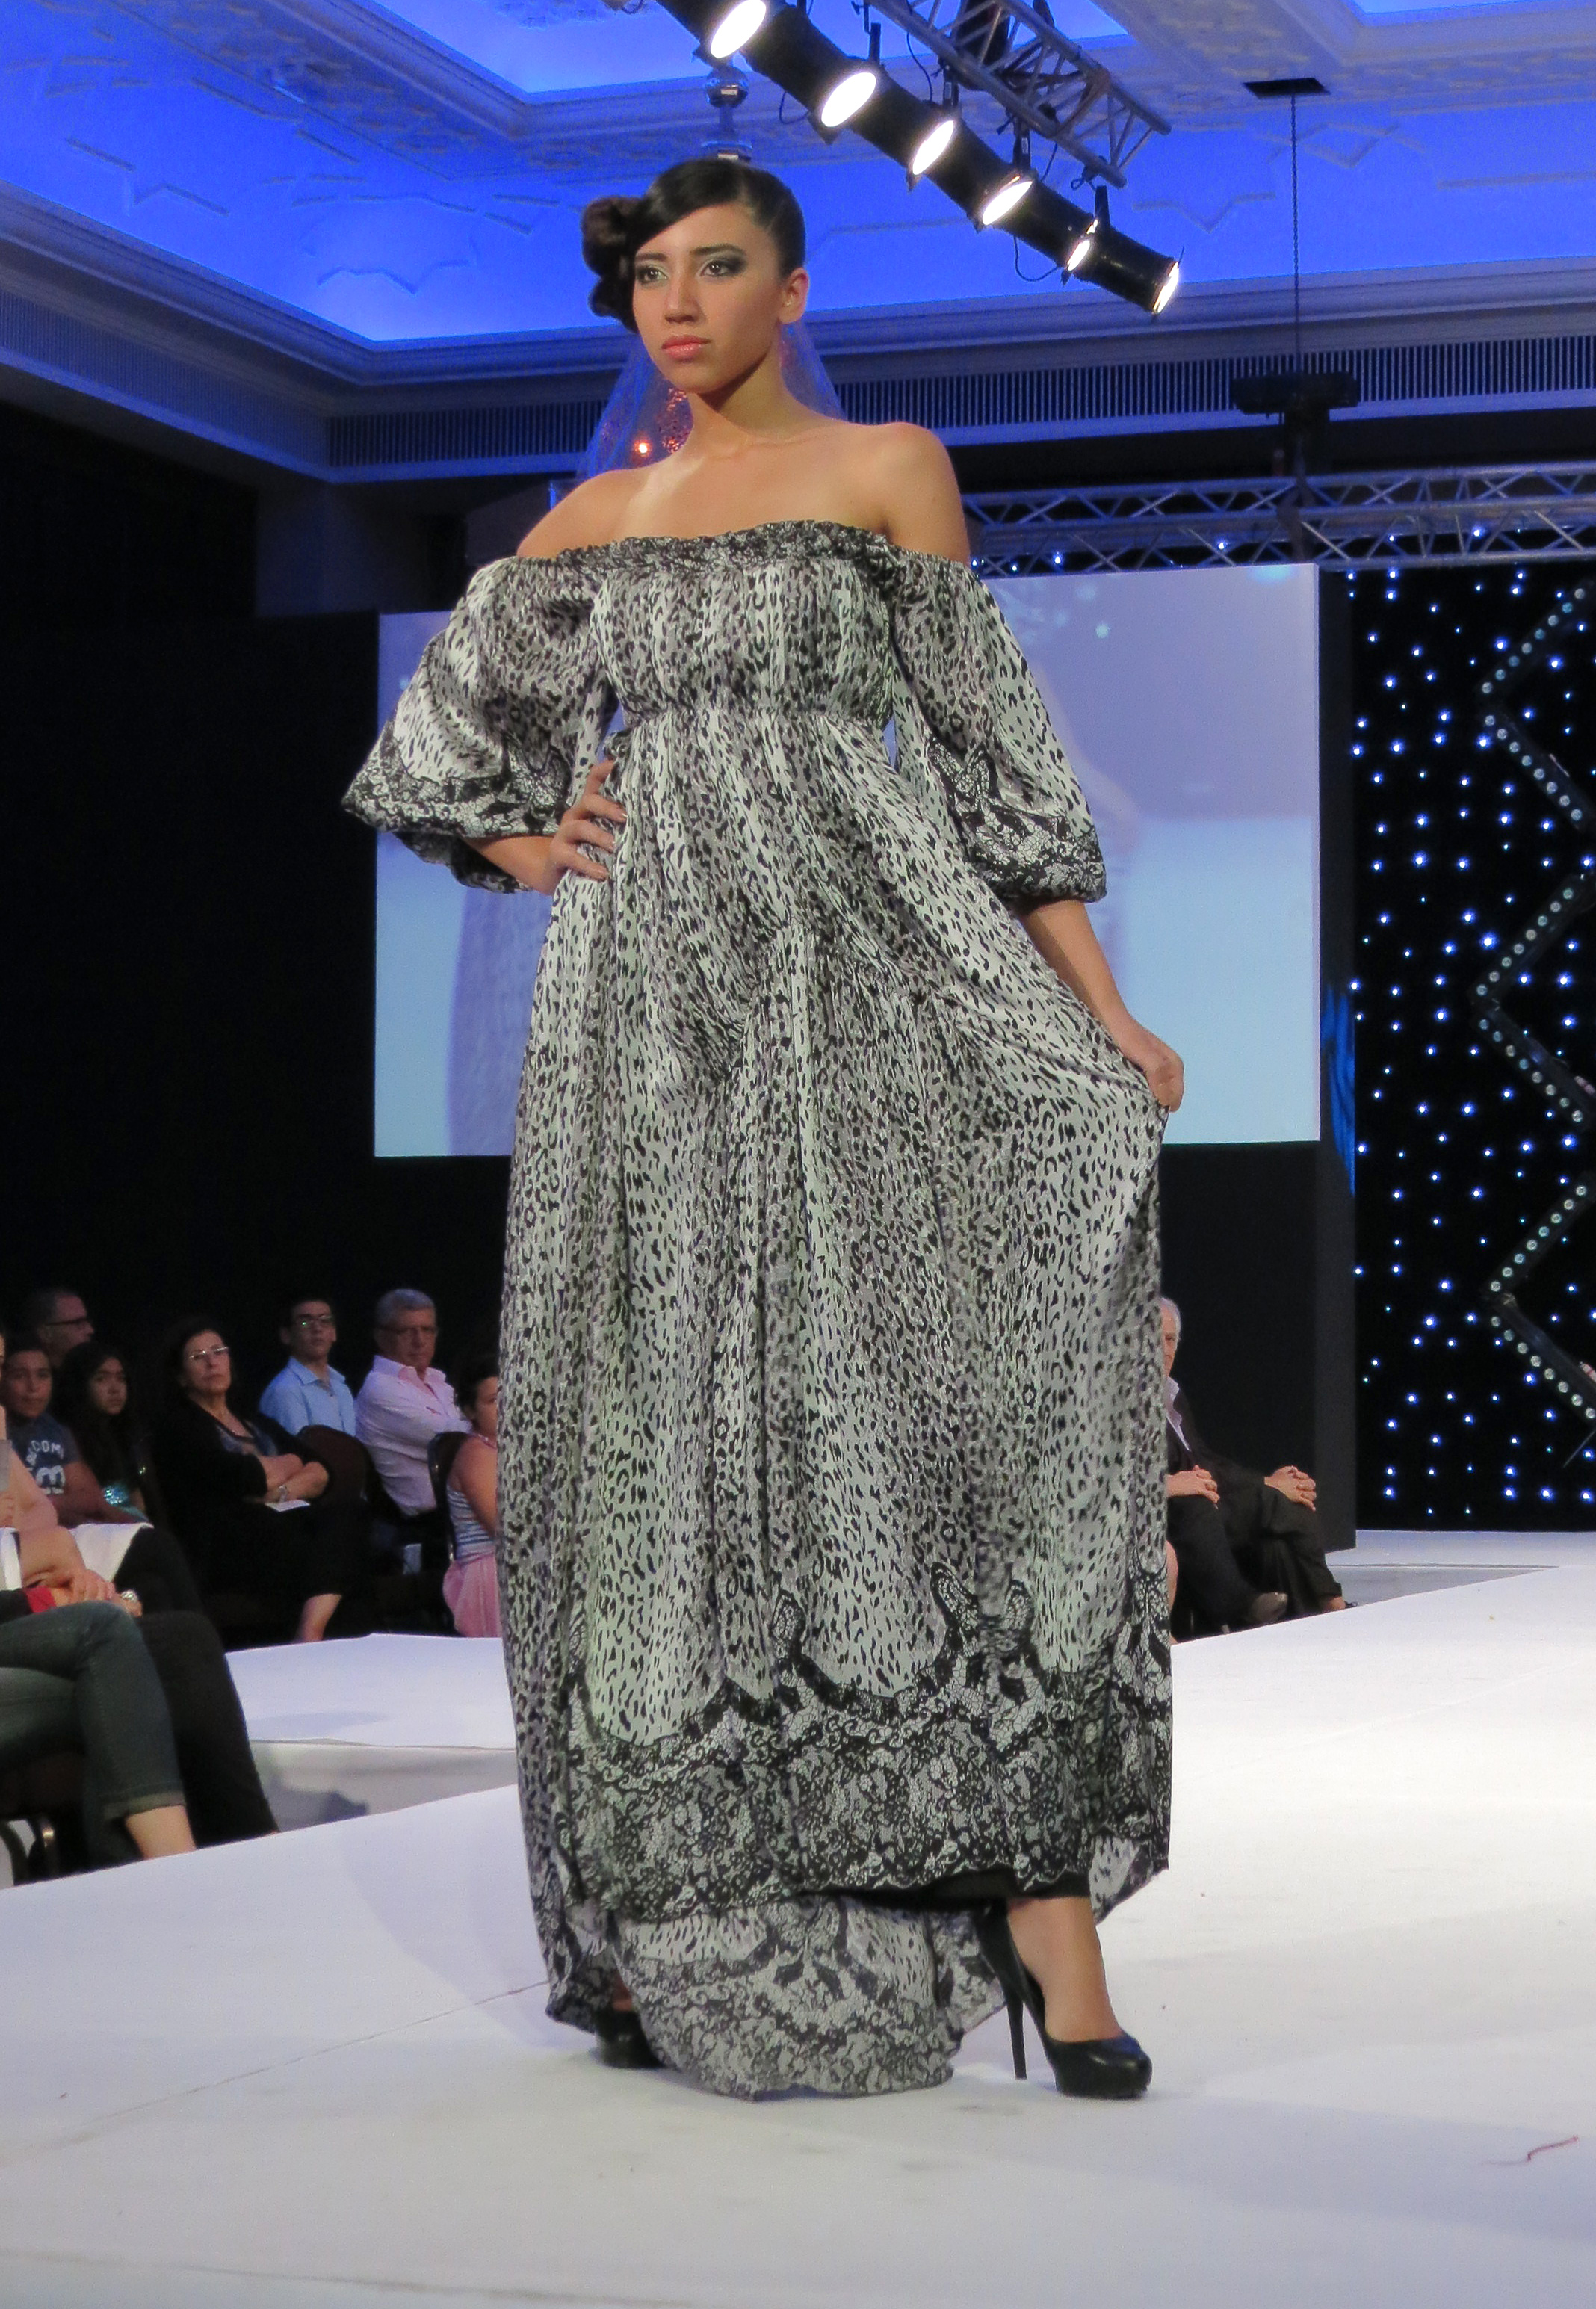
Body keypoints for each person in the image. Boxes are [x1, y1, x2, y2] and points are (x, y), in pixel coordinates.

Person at [346, 158, 1179, 2103]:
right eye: (652, 273)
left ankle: (1042, 1907)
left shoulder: (887, 469)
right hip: (652, 1016)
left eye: (718, 267)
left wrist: (1099, 1003)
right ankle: (687, 1903)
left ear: (791, 290)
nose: (679, 302)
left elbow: (993, 754)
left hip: (867, 962)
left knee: (936, 1406)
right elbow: (435, 754)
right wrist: (526, 844)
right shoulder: (592, 521)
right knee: (673, 1437)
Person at [1, 1333, 275, 1855]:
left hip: (37, 1567)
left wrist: (68, 1545)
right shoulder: (64, 1428)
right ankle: (189, 1859)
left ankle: (243, 1843)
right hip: (31, 1580)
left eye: (121, 1378)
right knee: (124, 1639)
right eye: (101, 1379)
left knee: (168, 1595)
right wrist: (55, 1584)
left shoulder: (69, 1433)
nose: (114, 1389)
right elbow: (48, 1518)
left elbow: (48, 1506)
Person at [153, 1320, 369, 1643]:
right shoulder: (179, 1428)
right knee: (341, 1555)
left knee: (352, 1514)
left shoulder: (253, 1421)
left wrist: (279, 1490)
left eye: (218, 1351)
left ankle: (312, 1632)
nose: (212, 1362)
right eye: (198, 1357)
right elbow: (244, 1477)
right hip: (231, 1542)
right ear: (181, 1376)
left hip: (282, 1522)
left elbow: (322, 1470)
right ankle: (316, 1636)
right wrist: (289, 1464)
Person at [1161, 1299, 1343, 1621]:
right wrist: (1172, 1484)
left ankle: (1325, 1605)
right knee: (1201, 1505)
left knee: (1288, 1507)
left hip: (1207, 1500)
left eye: (1170, 1339)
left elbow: (1205, 1460)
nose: (1164, 1350)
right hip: (1171, 1512)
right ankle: (1245, 1606)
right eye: (1153, 1339)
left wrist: (1268, 1483)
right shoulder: (1117, 1402)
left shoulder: (1172, 1395)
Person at [5, 1332, 202, 1613]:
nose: (33, 1387)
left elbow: (85, 1499)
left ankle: (196, 1637)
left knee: (153, 1582)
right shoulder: (5, 1428)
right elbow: (9, 1511)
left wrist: (49, 1506)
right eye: (18, 1376)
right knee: (155, 1550)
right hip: (37, 1544)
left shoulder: (55, 1430)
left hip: (54, 1535)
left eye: (42, 1375)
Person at [353, 1290, 467, 1518]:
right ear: (381, 1337)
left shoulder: (441, 1385)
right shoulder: (380, 1389)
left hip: (465, 1509)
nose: (420, 1341)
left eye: (427, 1330)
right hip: (431, 1523)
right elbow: (453, 1439)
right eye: (407, 1331)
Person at [442, 1356, 501, 1639]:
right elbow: (504, 1529)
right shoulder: (477, 1454)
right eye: (494, 1401)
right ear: (470, 1410)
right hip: (490, 1571)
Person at [259, 1296, 359, 1438]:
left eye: (325, 1320)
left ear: (334, 1333)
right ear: (286, 1335)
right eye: (305, 1322)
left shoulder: (341, 1387)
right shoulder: (285, 1391)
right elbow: (295, 1451)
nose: (317, 1328)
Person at [22, 1287, 93, 1370]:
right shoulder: (33, 1377)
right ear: (46, 1334)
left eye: (87, 1322)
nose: (91, 1330)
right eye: (78, 1323)